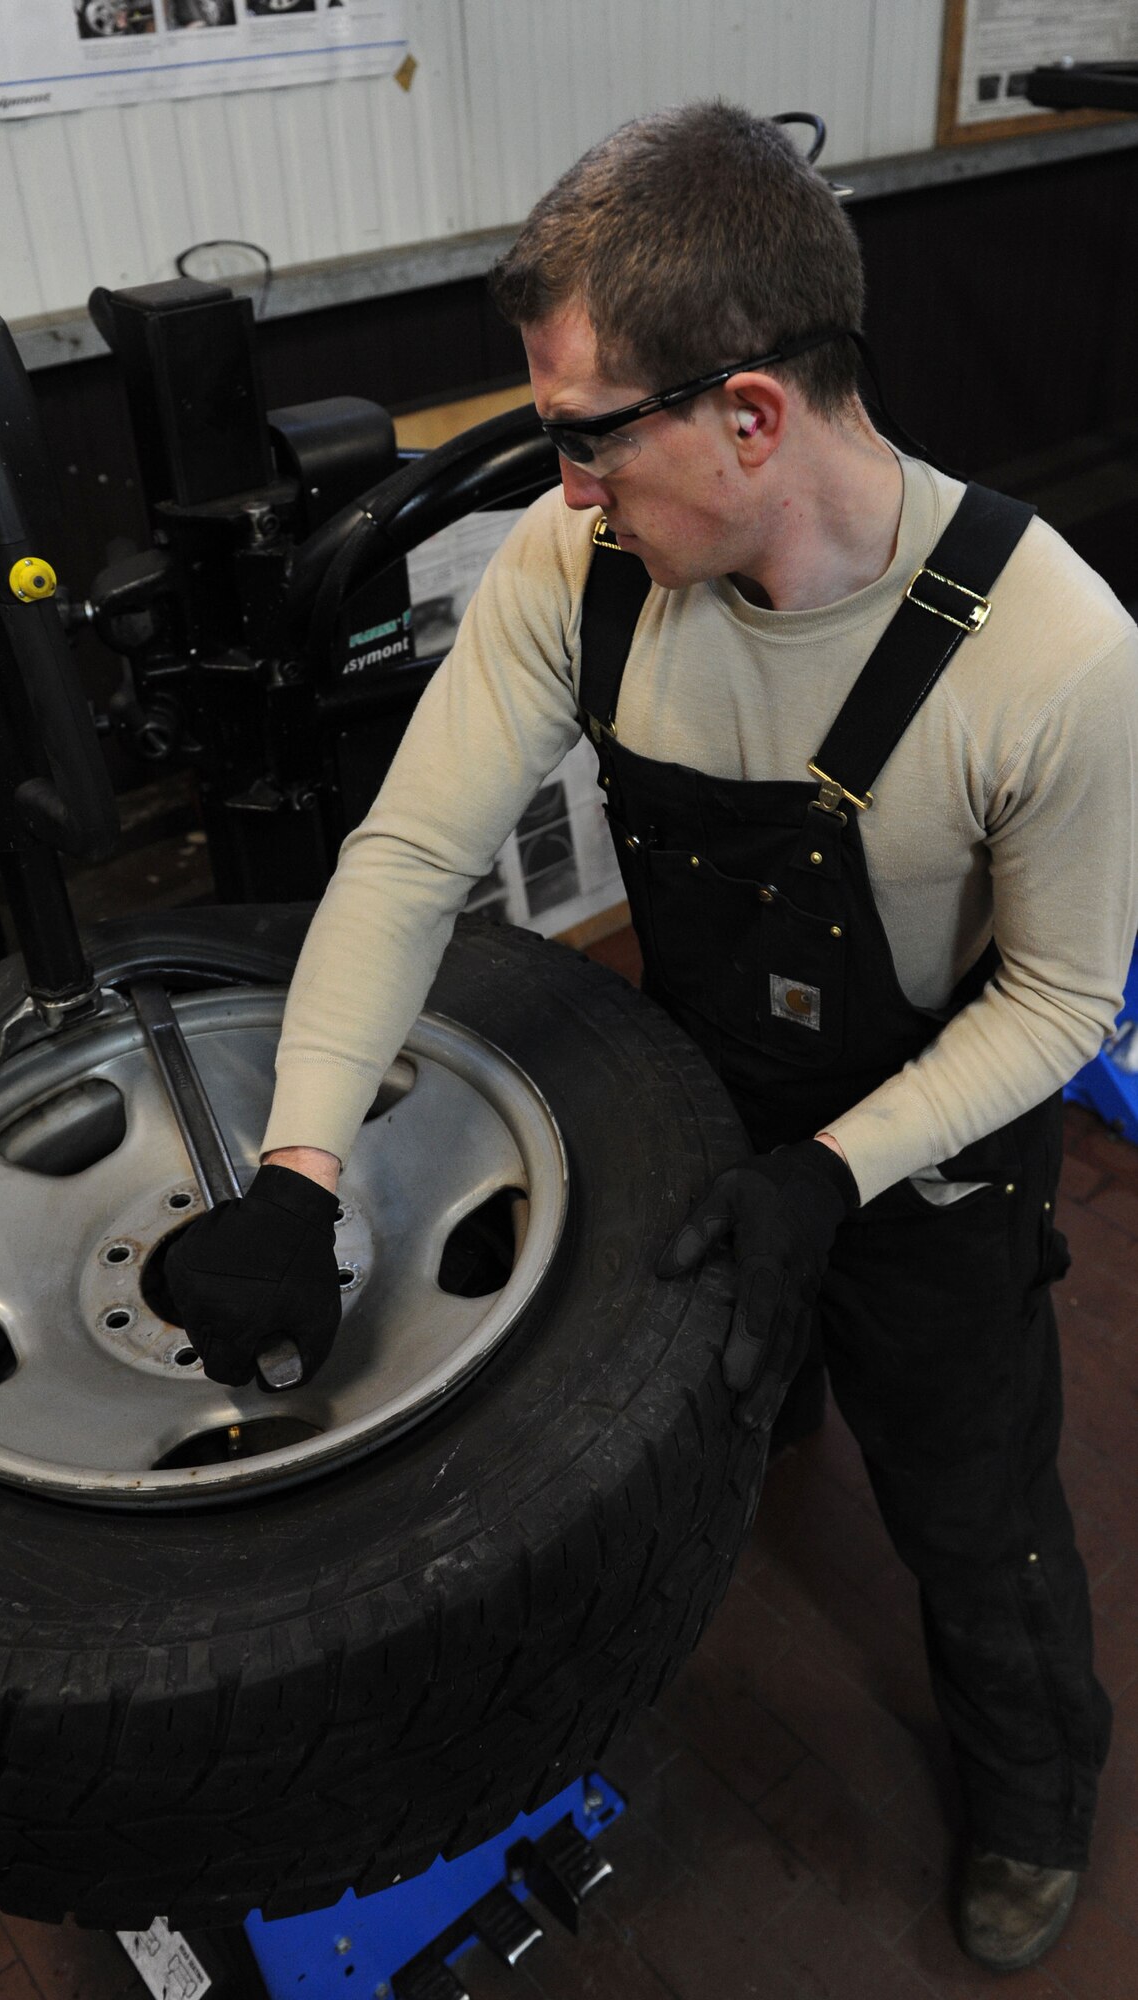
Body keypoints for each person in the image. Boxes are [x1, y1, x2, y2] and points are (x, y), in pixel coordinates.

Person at [166, 103, 1138, 1973]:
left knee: (970, 1504)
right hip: (707, 1103)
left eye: (584, 435)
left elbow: (1062, 1002)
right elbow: (409, 857)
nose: (564, 486)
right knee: (716, 1408)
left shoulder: (1054, 658)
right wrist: (299, 1169)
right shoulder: (580, 572)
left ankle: (1036, 1788)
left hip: (929, 1163)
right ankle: (774, 1422)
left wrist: (833, 1177)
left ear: (748, 413)